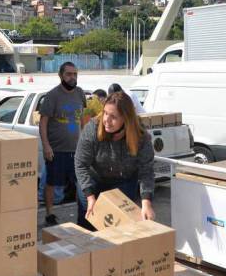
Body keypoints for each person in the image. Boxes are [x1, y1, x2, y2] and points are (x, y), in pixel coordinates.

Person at [75, 91, 156, 229]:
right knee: (87, 226)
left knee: (120, 228)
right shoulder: (92, 128)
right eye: (105, 113)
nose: (106, 119)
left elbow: (146, 171)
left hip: (123, 182)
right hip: (93, 182)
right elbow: (80, 164)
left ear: (126, 119)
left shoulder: (141, 136)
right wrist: (90, 197)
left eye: (113, 117)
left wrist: (146, 202)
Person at [38, 62, 86, 225]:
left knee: (82, 183)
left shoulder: (80, 93)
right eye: (69, 74)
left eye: (75, 74)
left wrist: (85, 141)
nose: (72, 77)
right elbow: (43, 122)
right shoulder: (52, 96)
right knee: (52, 183)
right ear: (60, 75)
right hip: (57, 150)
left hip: (77, 150)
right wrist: (46, 146)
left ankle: (84, 214)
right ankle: (50, 214)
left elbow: (82, 119)